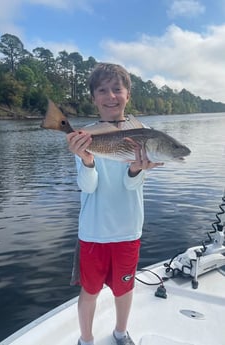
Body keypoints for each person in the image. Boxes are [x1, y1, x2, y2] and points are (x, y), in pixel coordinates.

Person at [67, 63, 163, 345]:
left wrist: (136, 170)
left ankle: (120, 333)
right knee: (90, 291)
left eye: (117, 89)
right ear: (94, 97)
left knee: (124, 289)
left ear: (128, 94)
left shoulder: (144, 133)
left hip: (127, 229)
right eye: (103, 90)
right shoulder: (85, 137)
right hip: (94, 232)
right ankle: (86, 340)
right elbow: (88, 186)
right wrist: (86, 159)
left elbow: (131, 185)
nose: (111, 96)